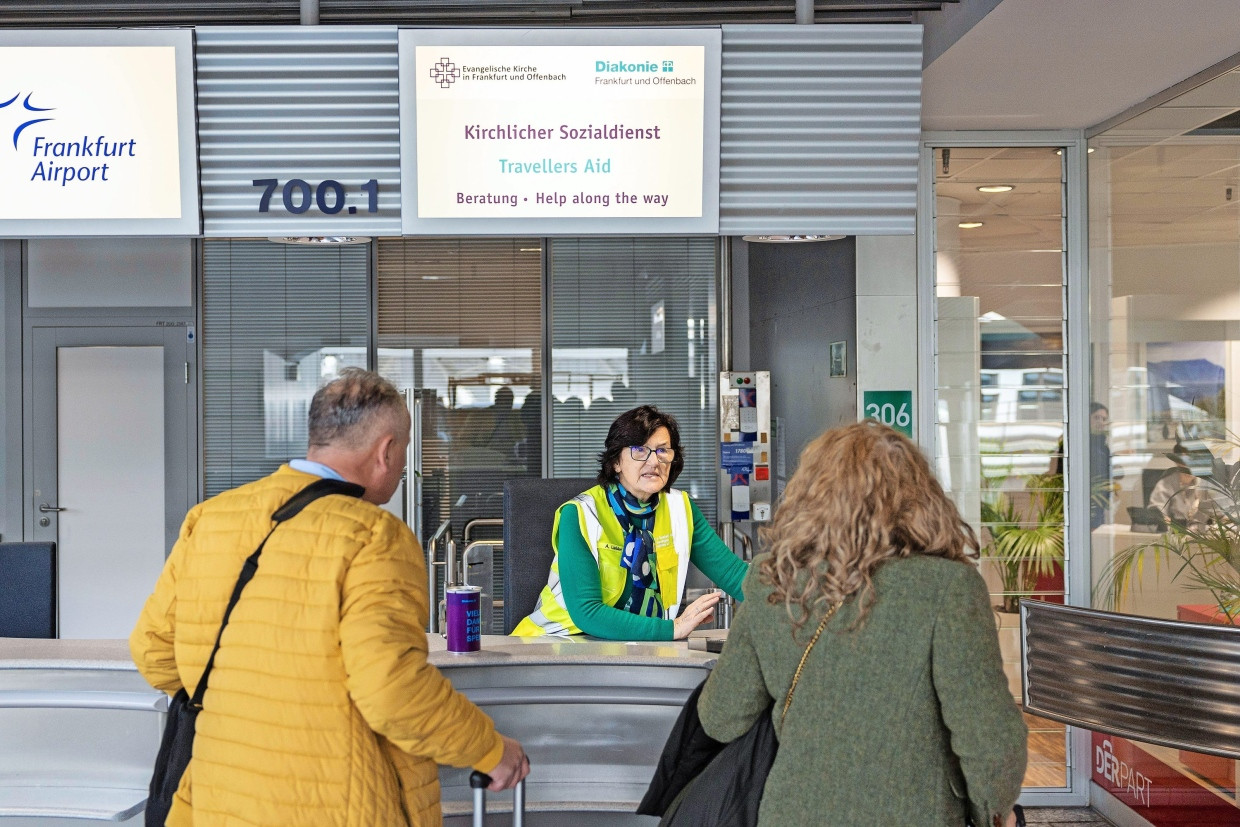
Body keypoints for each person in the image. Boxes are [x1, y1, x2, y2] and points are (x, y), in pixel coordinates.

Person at [130, 368, 529, 826]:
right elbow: (391, 688)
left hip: (219, 799)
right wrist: (490, 749)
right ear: (385, 450)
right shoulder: (373, 536)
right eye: (403, 451)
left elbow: (154, 650)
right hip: (337, 805)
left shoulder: (211, 518)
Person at [696, 421, 1026, 826]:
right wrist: (993, 811)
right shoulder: (948, 589)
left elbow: (721, 717)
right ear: (919, 496)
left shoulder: (772, 578)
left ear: (810, 495)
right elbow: (990, 742)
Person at [513, 405, 748, 640]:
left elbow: (733, 574)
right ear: (616, 461)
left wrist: (781, 599)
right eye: (639, 450)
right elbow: (587, 612)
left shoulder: (680, 509)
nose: (654, 461)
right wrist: (672, 629)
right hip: (558, 643)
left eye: (662, 450)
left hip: (638, 645)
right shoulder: (579, 514)